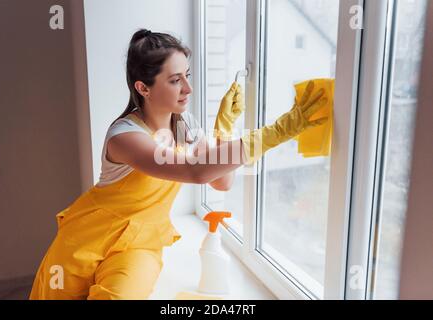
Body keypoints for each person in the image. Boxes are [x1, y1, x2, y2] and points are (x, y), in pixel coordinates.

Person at [29, 28, 328, 300]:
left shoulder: (185, 127)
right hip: (84, 242)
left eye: (187, 75)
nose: (188, 88)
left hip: (139, 246)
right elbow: (195, 171)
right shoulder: (124, 137)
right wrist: (277, 132)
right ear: (143, 88)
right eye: (175, 80)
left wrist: (224, 129)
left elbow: (221, 181)